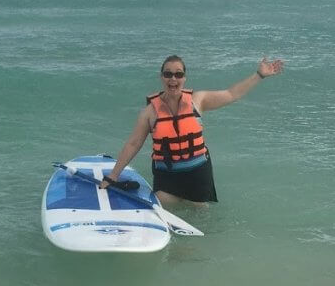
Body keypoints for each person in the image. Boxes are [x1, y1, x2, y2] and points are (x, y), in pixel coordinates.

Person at [101, 55, 284, 206]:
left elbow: (231, 94)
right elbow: (133, 143)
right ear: (161, 77)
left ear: (184, 78)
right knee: (164, 204)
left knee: (200, 216)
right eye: (168, 74)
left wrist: (259, 75)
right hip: (167, 177)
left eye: (178, 74)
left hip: (198, 173)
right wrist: (113, 176)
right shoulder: (149, 113)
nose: (173, 78)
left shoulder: (198, 100)